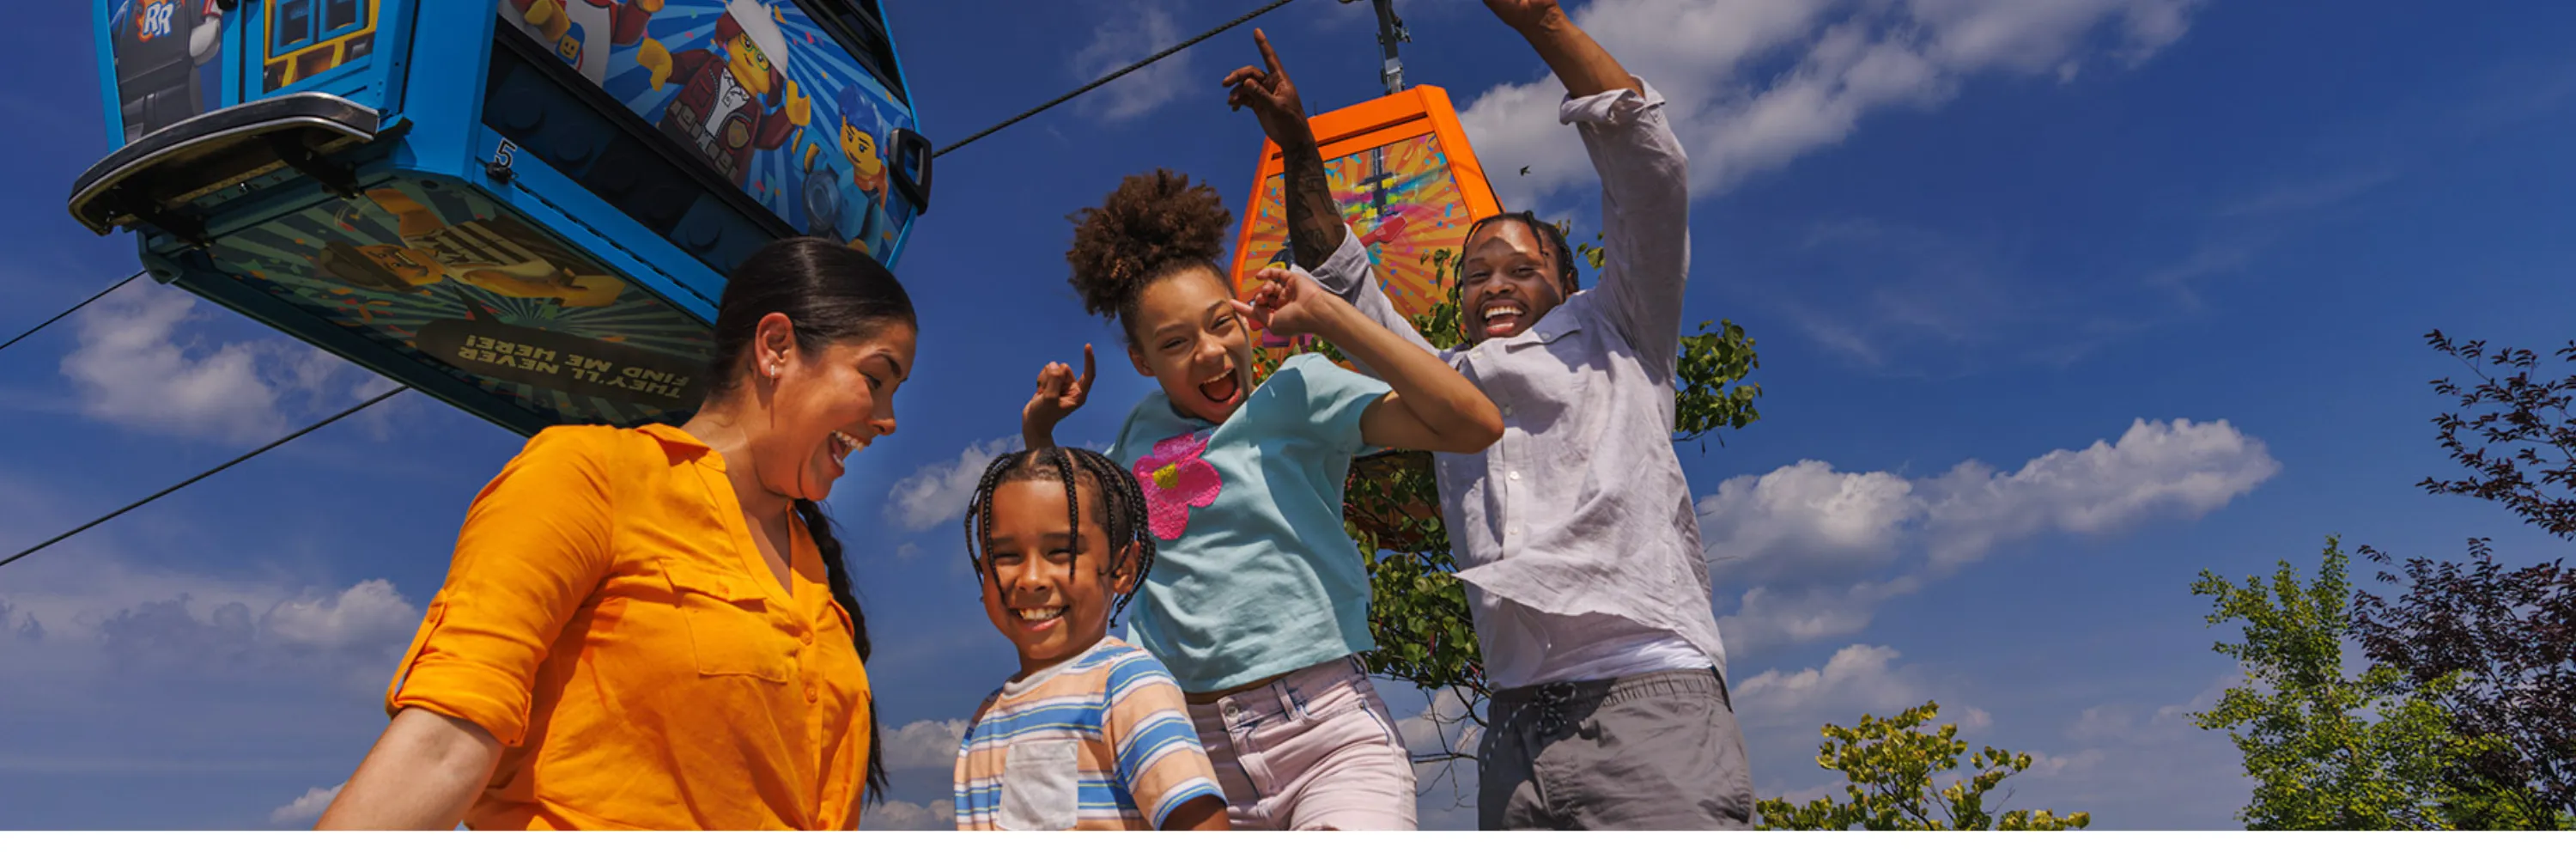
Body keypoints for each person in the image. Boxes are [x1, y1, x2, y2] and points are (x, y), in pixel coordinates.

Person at [1224, 0, 1757, 830]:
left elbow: (1651, 174)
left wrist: (1540, 20)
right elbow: (1339, 272)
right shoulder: (1447, 388)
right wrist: (1298, 144)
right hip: (1514, 727)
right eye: (1476, 274)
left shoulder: (1620, 331)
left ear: (1570, 282)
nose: (1495, 283)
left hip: (1645, 695)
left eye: (1519, 266)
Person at [314, 237, 915, 830]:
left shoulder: (817, 576)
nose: (887, 421)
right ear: (776, 346)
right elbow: (445, 741)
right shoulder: (590, 473)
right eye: (876, 378)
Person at [1019, 172, 1503, 829]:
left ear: (1245, 315)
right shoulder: (1138, 436)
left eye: (1222, 324)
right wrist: (1041, 433)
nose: (1211, 352)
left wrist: (1332, 314)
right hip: (1187, 753)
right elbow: (1064, 537)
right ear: (1140, 360)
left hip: (1327, 732)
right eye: (1175, 343)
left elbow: (1474, 424)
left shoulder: (1300, 392)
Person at [951, 447, 1229, 832]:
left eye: (1061, 551)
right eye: (1007, 555)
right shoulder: (986, 718)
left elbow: (1200, 826)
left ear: (1122, 569)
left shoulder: (1127, 684)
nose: (1031, 578)